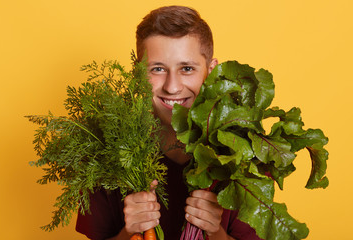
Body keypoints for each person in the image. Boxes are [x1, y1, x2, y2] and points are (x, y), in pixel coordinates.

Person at [76, 5, 262, 240]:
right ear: (137, 74)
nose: (172, 87)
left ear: (211, 72)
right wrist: (128, 232)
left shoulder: (242, 152)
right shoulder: (104, 151)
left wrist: (216, 234)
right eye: (157, 69)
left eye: (187, 68)